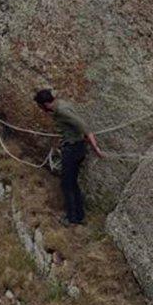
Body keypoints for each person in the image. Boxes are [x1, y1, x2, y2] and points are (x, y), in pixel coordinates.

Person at [33, 89, 104, 225]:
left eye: (40, 107)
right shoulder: (63, 104)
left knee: (67, 184)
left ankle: (72, 218)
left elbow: (83, 126)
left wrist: (96, 148)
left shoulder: (61, 111)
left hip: (72, 149)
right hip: (77, 147)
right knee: (72, 183)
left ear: (46, 104)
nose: (41, 110)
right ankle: (79, 216)